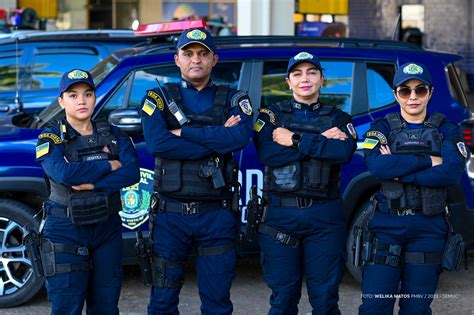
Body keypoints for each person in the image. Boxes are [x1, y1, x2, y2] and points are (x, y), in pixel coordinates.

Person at [140, 28, 253, 314]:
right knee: (162, 303)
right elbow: (158, 144)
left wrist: (184, 132)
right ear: (176, 59)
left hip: (216, 215)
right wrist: (216, 141)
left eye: (203, 54)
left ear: (214, 59)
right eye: (188, 53)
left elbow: (238, 138)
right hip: (170, 216)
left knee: (217, 304)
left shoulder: (235, 99)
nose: (196, 60)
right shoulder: (157, 97)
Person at [253, 52, 357, 314]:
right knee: (283, 300)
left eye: (312, 72)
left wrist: (296, 139)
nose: (305, 79)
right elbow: (269, 155)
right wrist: (322, 141)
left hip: (325, 218)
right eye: (297, 74)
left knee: (324, 300)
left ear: (322, 79)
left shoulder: (339, 119)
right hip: (280, 217)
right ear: (288, 82)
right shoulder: (270, 116)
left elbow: (342, 153)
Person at [359, 62, 468, 314]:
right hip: (387, 226)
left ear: (430, 92)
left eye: (420, 90)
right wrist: (429, 160)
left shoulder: (447, 129)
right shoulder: (381, 128)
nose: (413, 97)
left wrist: (402, 174)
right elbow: (378, 168)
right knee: (375, 306)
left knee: (416, 309)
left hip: (428, 230)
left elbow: (451, 172)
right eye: (405, 91)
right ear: (395, 94)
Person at [35, 69, 140, 314]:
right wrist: (108, 165)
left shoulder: (113, 134)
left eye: (88, 94)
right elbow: (64, 175)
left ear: (95, 97)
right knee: (66, 308)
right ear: (61, 101)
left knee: (106, 307)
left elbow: (132, 173)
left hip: (107, 229)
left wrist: (94, 183)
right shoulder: (50, 138)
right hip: (66, 230)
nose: (81, 101)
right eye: (73, 95)